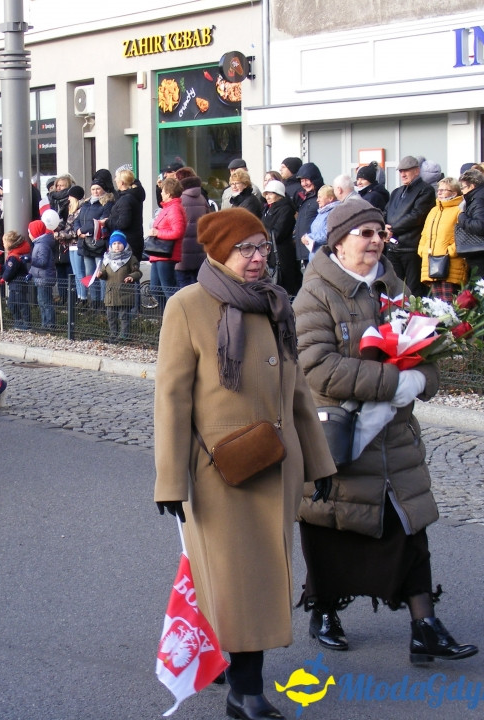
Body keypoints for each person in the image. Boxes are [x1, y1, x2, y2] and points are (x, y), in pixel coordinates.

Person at [154, 207, 336, 720]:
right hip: (222, 471)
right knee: (237, 583)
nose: (257, 259)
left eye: (262, 247)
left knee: (249, 581)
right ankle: (246, 691)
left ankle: (233, 678)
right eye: (245, 249)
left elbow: (297, 388)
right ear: (217, 252)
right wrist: (170, 479)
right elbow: (172, 398)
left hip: (277, 466)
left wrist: (318, 461)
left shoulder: (276, 303)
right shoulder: (188, 306)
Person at [293, 197, 478, 664]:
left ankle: (425, 627)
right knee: (335, 530)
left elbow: (425, 342)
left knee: (411, 528)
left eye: (381, 233)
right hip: (342, 433)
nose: (376, 241)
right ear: (339, 241)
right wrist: (395, 382)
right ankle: (324, 611)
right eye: (366, 234)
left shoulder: (391, 283)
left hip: (394, 436)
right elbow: (317, 367)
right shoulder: (315, 293)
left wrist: (423, 378)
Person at [385, 156, 436, 295]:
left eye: (406, 170)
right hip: (393, 248)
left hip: (411, 248)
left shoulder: (426, 190)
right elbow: (386, 212)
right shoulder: (396, 192)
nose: (403, 174)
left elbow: (417, 216)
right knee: (395, 290)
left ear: (417, 171)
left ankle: (415, 316)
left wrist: (392, 229)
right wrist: (383, 228)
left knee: (413, 290)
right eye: (401, 171)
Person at [417, 178, 466, 300]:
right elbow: (425, 234)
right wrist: (422, 250)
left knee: (450, 308)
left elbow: (463, 236)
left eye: (444, 190)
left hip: (450, 264)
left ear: (454, 193)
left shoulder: (459, 210)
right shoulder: (434, 210)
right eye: (439, 190)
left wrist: (449, 252)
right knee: (437, 307)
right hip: (432, 263)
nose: (439, 193)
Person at [455, 168, 484, 281]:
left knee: (480, 291)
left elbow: (482, 225)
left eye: (463, 187)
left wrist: (462, 217)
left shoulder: (477, 200)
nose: (462, 192)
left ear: (472, 186)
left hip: (480, 253)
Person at [145, 176, 186, 308]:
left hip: (166, 254)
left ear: (168, 193)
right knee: (155, 288)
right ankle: (168, 315)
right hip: (159, 254)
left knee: (168, 289)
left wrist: (158, 233)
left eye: (162, 190)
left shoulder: (174, 209)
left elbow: (178, 231)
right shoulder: (168, 208)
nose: (161, 193)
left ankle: (176, 316)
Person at [74, 181, 114, 305]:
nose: (95, 191)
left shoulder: (107, 203)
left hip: (98, 243)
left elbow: (100, 221)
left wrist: (83, 229)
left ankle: (102, 302)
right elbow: (77, 219)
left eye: (98, 189)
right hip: (85, 242)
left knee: (100, 274)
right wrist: (77, 230)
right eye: (93, 189)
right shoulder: (86, 204)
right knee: (89, 274)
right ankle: (94, 302)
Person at [97, 231, 141, 342]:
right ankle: (113, 334)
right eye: (114, 243)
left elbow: (138, 272)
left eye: (119, 243)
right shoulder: (106, 259)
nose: (117, 246)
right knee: (111, 316)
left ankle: (123, 336)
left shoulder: (130, 258)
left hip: (124, 293)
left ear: (124, 244)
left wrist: (132, 276)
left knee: (124, 316)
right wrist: (101, 274)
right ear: (111, 245)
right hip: (110, 293)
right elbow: (104, 273)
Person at [174, 167, 209, 288]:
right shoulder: (202, 198)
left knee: (183, 288)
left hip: (183, 251)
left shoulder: (180, 200)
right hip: (200, 250)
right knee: (197, 287)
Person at [104, 167, 146, 260]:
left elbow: (123, 223)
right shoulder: (131, 196)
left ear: (122, 182)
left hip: (126, 243)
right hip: (133, 240)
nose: (114, 180)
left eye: (116, 178)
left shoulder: (126, 199)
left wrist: (107, 222)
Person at [27, 219, 57, 329]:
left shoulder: (42, 245)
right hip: (40, 277)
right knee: (42, 301)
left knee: (45, 302)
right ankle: (45, 323)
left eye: (29, 232)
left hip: (44, 278)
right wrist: (31, 273)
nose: (29, 234)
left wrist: (30, 260)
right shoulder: (39, 244)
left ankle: (49, 324)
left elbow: (42, 262)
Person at [0, 230, 32, 330]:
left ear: (9, 243)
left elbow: (10, 270)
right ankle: (19, 321)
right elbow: (8, 268)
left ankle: (27, 323)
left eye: (4, 242)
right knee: (12, 304)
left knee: (21, 303)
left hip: (18, 284)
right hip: (15, 284)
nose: (3, 244)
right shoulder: (13, 255)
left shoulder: (13, 257)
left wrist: (4, 278)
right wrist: (1, 268)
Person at [301, 185, 337, 261]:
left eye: (320, 197)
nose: (317, 200)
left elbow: (328, 234)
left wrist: (309, 237)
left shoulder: (333, 212)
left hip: (326, 257)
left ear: (330, 198)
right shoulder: (322, 212)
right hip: (317, 255)